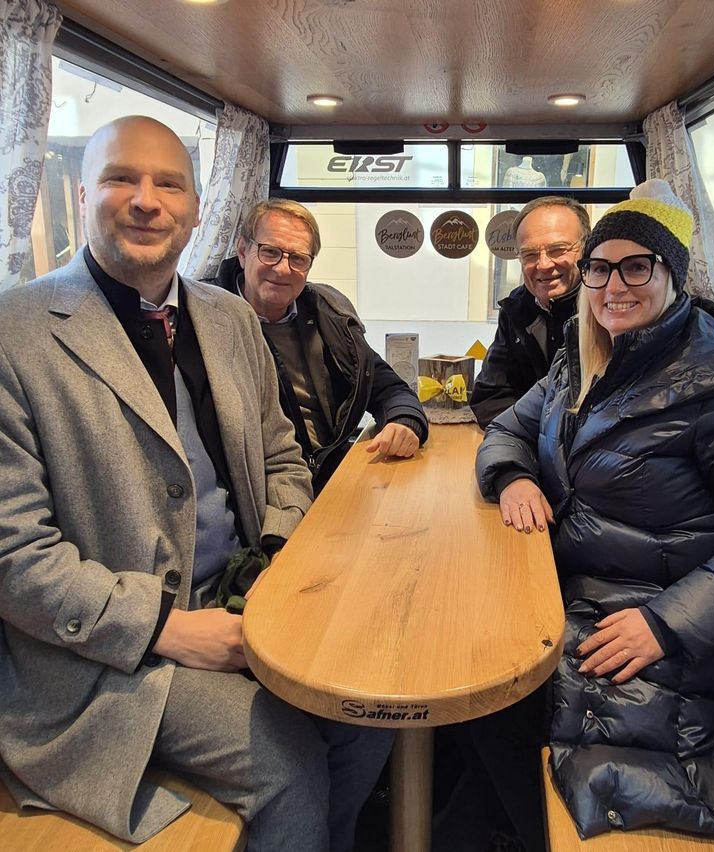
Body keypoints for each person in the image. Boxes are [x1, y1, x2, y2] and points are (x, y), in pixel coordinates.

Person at [0, 116, 392, 851]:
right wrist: (167, 628)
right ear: (85, 193)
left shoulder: (228, 317)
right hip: (108, 657)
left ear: (196, 209)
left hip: (249, 598)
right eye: (122, 178)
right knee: (287, 762)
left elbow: (281, 455)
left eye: (169, 183)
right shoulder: (13, 333)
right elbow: (14, 557)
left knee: (363, 713)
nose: (146, 200)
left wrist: (276, 552)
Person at [476, 179, 714, 838]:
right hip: (589, 590)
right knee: (479, 663)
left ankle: (524, 832)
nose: (615, 284)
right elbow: (508, 429)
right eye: (601, 268)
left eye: (636, 266)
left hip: (676, 625)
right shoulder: (581, 361)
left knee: (492, 701)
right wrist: (513, 477)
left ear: (672, 275)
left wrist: (665, 624)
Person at [210, 199, 428, 492]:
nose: (283, 269)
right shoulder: (205, 323)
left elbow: (389, 387)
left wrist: (404, 421)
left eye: (298, 258)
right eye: (270, 252)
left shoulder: (329, 318)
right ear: (242, 251)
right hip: (255, 494)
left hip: (331, 479)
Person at [470, 196, 589, 429]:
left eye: (558, 250)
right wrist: (530, 441)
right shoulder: (516, 309)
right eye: (530, 254)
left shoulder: (609, 309)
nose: (543, 264)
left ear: (587, 248)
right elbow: (490, 396)